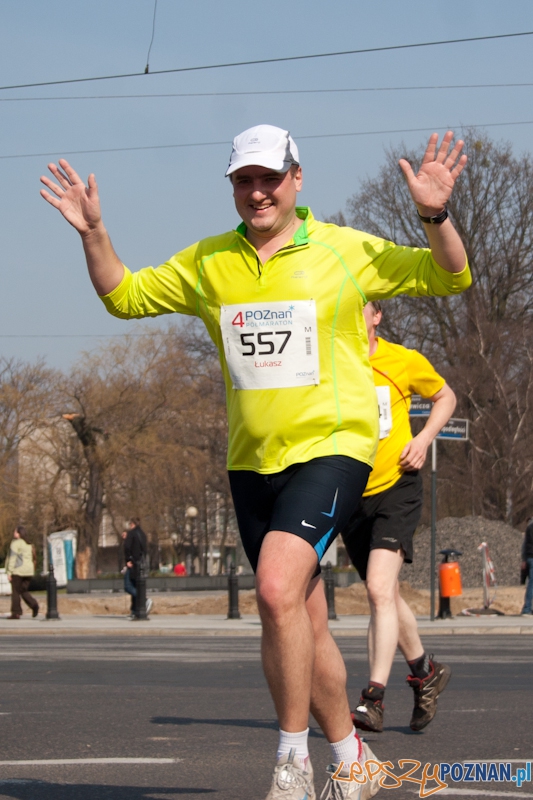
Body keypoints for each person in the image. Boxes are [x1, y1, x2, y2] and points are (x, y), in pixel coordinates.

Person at [40, 124, 470, 799]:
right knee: (303, 618)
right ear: (233, 188)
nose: (258, 190)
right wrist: (93, 232)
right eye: (245, 179)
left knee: (272, 589)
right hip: (253, 463)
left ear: (297, 179)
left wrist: (433, 213)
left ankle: (292, 760)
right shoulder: (212, 263)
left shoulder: (342, 250)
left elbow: (449, 276)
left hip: (333, 448)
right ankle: (351, 757)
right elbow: (123, 295)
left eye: (270, 177)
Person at [342, 302, 455, 735]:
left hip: (397, 486)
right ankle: (425, 672)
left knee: (376, 589)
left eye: (361, 309)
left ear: (377, 316)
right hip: (353, 494)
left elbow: (446, 396)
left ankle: (373, 699)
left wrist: (424, 438)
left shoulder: (401, 360)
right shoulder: (336, 364)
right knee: (384, 593)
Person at [5, 526, 39, 619]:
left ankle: (16, 612)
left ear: (19, 533)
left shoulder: (15, 543)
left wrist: (9, 572)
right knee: (23, 590)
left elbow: (12, 558)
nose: (13, 533)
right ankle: (34, 604)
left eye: (15, 531)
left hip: (18, 571)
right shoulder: (29, 544)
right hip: (29, 571)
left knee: (15, 591)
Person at [124, 519, 153, 618]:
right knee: (136, 585)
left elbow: (127, 547)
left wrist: (128, 560)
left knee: (128, 586)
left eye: (130, 524)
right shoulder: (143, 534)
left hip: (133, 563)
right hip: (141, 564)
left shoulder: (131, 533)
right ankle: (135, 611)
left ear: (132, 524)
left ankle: (144, 600)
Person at [520, 518, 533, 615]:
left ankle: (527, 607)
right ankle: (527, 608)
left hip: (529, 557)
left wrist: (524, 559)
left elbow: (524, 545)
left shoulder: (529, 527)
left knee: (531, 584)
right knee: (532, 584)